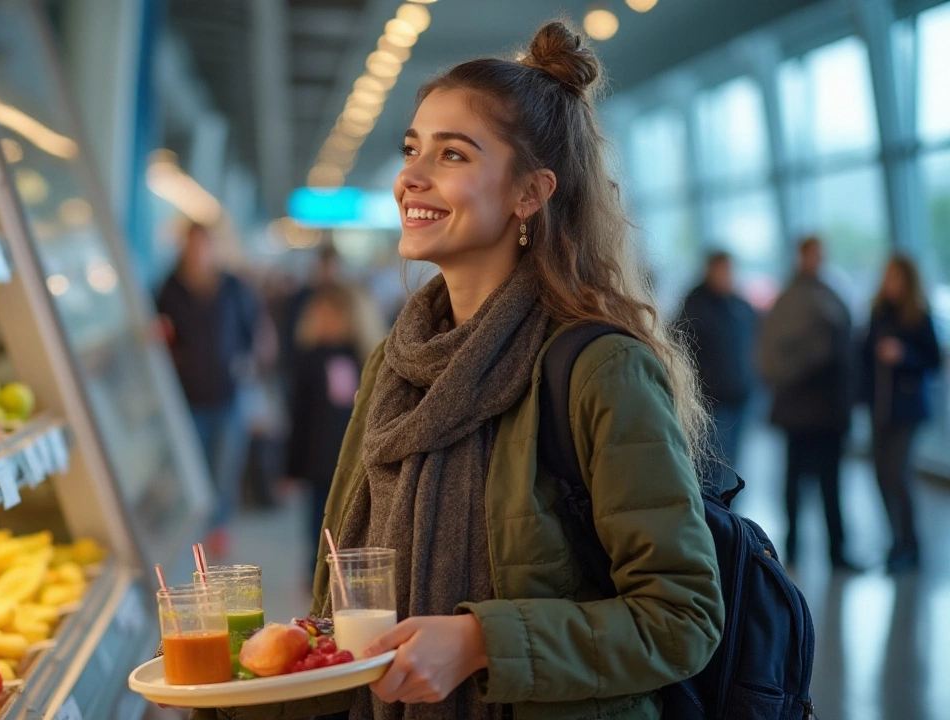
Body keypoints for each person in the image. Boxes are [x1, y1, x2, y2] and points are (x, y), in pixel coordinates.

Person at [197, 20, 722, 720]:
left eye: (452, 155)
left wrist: (480, 641)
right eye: (412, 149)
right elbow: (350, 626)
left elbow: (681, 617)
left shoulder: (599, 368)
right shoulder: (394, 362)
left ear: (528, 194)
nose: (410, 176)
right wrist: (244, 690)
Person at [156, 222, 261, 557]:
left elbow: (249, 329)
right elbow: (160, 333)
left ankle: (218, 526)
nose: (198, 252)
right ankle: (196, 523)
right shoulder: (169, 288)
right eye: (192, 245)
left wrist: (248, 361)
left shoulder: (232, 286)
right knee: (194, 465)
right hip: (187, 396)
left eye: (203, 245)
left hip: (228, 393)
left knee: (224, 466)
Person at [757, 236, 859, 572]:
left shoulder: (822, 296)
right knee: (797, 483)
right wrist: (820, 353)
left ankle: (835, 551)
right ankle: (797, 548)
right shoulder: (795, 301)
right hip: (802, 411)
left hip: (823, 411)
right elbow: (774, 359)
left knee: (828, 484)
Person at [860, 255, 942, 573]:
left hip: (907, 410)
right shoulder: (878, 313)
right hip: (879, 407)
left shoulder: (918, 316)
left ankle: (910, 544)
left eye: (896, 278)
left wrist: (904, 355)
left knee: (897, 474)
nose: (891, 283)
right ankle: (896, 541)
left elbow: (932, 360)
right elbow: (865, 355)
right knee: (881, 475)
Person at [285, 283, 367, 576]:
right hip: (317, 460)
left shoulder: (362, 357)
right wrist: (291, 468)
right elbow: (298, 416)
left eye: (333, 315)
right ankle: (316, 573)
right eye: (322, 316)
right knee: (317, 523)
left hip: (353, 455)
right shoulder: (308, 360)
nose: (327, 322)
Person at [677, 251, 758, 477]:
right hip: (712, 403)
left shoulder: (739, 306)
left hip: (741, 399)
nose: (727, 276)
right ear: (710, 271)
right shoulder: (694, 308)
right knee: (716, 469)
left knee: (734, 468)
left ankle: (730, 512)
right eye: (722, 271)